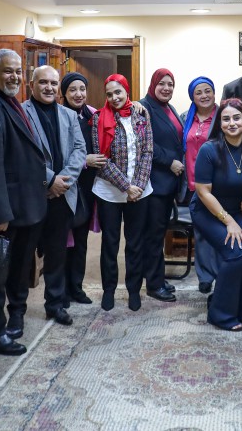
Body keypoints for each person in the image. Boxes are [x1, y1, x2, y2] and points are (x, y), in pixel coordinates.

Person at [0, 50, 47, 356]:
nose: (15, 76)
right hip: (7, 210)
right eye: (7, 71)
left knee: (17, 269)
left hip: (25, 204)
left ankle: (13, 317)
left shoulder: (8, 100)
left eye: (18, 71)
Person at [190, 98, 242, 331]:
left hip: (240, 209)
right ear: (219, 123)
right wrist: (229, 222)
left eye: (236, 118)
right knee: (237, 253)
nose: (231, 123)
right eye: (226, 119)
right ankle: (220, 313)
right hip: (208, 211)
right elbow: (203, 192)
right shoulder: (209, 149)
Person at [21, 65, 87, 324]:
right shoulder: (21, 112)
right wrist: (50, 180)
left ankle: (55, 304)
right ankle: (17, 312)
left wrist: (63, 182)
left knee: (57, 253)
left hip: (63, 195)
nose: (49, 87)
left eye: (53, 83)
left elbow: (80, 150)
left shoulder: (68, 115)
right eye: (43, 82)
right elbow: (22, 154)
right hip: (33, 196)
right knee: (24, 257)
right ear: (32, 85)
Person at [91, 74, 154, 311]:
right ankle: (109, 290)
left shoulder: (141, 115)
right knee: (110, 242)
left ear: (127, 91)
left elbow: (147, 152)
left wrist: (137, 186)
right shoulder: (99, 118)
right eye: (109, 94)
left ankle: (134, 290)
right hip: (109, 192)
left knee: (135, 242)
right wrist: (126, 186)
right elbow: (101, 160)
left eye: (118, 92)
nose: (114, 97)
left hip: (139, 191)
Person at [140, 68, 186, 303]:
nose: (166, 88)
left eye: (170, 84)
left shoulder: (169, 108)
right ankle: (154, 284)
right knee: (153, 236)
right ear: (153, 84)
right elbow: (144, 143)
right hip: (154, 184)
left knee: (158, 233)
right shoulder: (143, 107)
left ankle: (157, 276)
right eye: (162, 84)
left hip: (168, 184)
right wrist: (170, 162)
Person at [60, 72, 104, 307]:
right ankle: (61, 291)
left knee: (81, 240)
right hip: (66, 186)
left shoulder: (92, 115)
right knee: (62, 241)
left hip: (87, 188)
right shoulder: (59, 115)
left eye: (82, 89)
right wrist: (85, 160)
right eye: (72, 90)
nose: (78, 94)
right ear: (64, 94)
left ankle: (76, 287)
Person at [182, 76, 219, 293]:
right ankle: (205, 276)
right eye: (199, 92)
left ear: (214, 93)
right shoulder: (185, 118)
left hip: (217, 185)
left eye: (208, 91)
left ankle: (221, 273)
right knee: (202, 231)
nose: (204, 95)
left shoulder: (223, 116)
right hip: (192, 185)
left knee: (221, 230)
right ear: (192, 97)